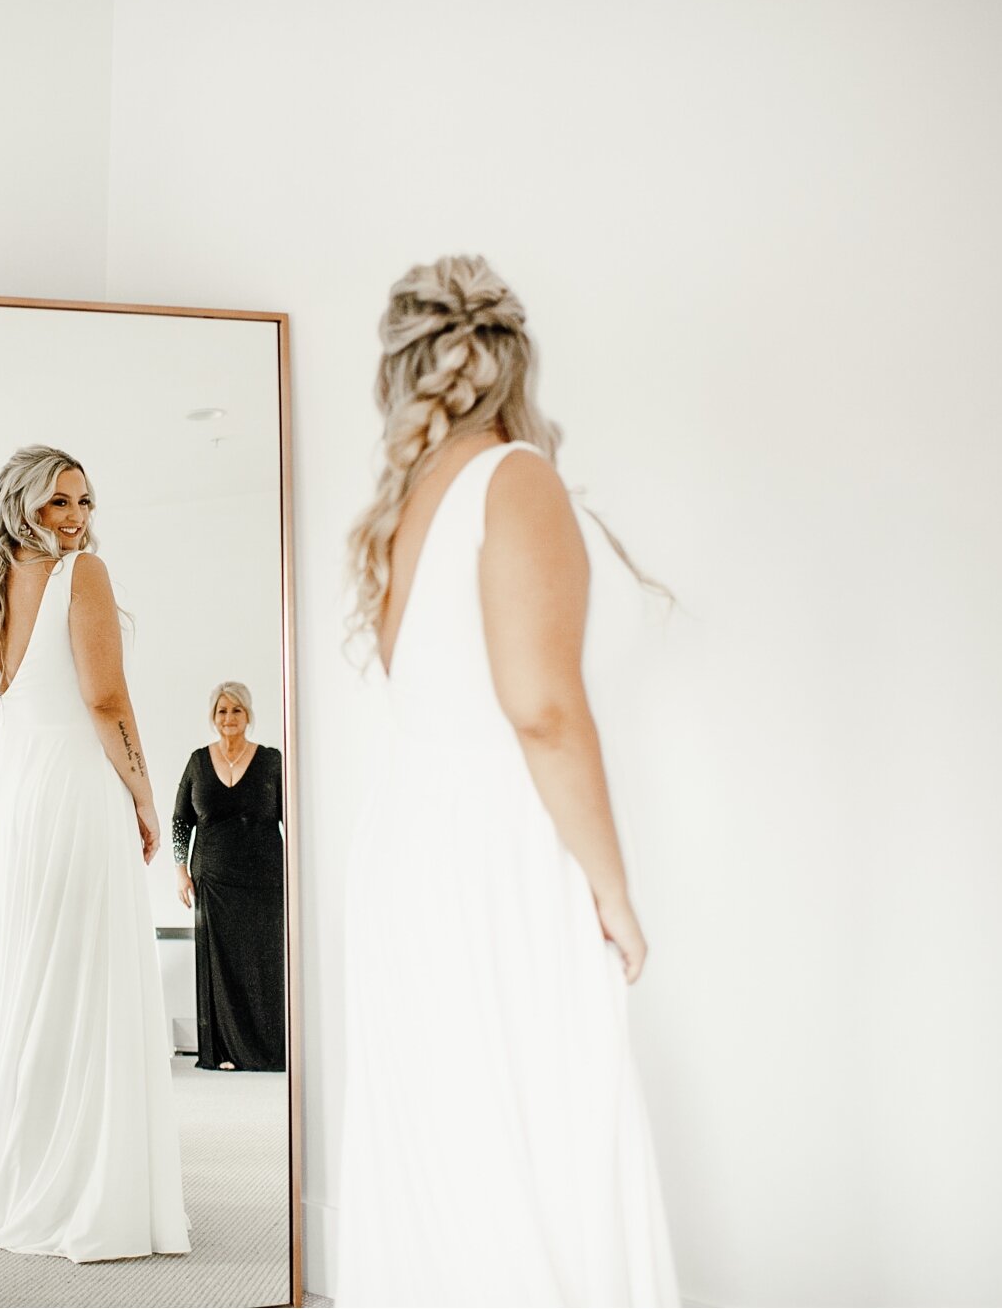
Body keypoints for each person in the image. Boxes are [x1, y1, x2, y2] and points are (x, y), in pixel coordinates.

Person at [334, 257, 679, 1305]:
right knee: (539, 1129)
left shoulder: (405, 506)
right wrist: (611, 891)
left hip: (411, 849)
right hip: (495, 857)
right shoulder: (511, 478)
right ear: (512, 360)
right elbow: (542, 711)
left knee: (455, 1139)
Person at [0, 444, 190, 1262]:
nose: (76, 518)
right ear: (22, 507)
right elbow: (105, 696)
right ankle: (82, 1184)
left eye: (83, 501)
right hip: (74, 790)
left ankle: (33, 1170)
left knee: (36, 978)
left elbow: (1, 712)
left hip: (10, 796)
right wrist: (147, 795)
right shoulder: (82, 576)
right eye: (57, 504)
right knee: (85, 976)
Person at [172, 681, 286, 1071]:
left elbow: (295, 818)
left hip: (266, 882)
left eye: (236, 710)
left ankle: (268, 1051)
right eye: (222, 711)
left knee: (264, 964)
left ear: (248, 715)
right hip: (213, 882)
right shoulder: (198, 762)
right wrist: (181, 871)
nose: (229, 718)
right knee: (220, 967)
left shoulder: (272, 762)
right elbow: (180, 821)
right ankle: (222, 1052)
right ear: (213, 717)